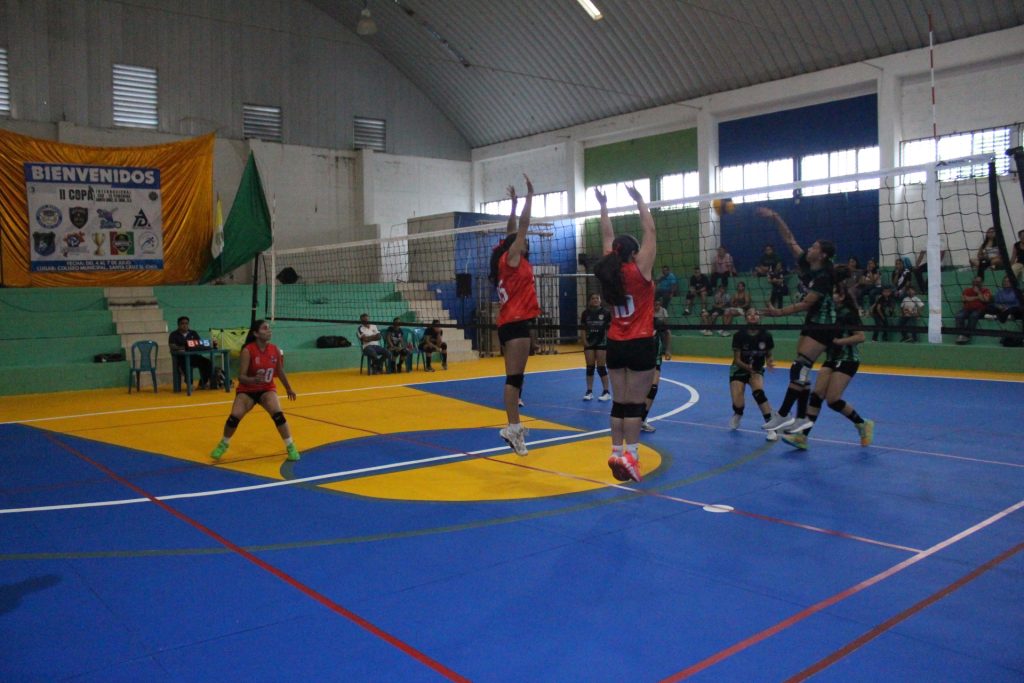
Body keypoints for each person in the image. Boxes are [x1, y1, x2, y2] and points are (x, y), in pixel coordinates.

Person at [593, 184, 656, 483]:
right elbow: (650, 231)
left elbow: (606, 235)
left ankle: (616, 451)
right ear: (633, 253)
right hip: (640, 343)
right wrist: (640, 200)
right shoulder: (640, 269)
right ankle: (632, 456)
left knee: (619, 402)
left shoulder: (610, 273)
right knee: (634, 404)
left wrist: (603, 206)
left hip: (615, 343)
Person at [756, 207, 837, 436]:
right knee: (802, 369)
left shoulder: (825, 276)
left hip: (826, 324)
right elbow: (789, 239)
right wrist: (775, 217)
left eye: (814, 247)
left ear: (822, 255)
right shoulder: (808, 263)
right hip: (813, 321)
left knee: (800, 366)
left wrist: (778, 313)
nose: (809, 248)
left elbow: (806, 304)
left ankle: (783, 414)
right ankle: (801, 418)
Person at [781, 285, 874, 450]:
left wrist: (839, 342)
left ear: (842, 296)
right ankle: (802, 437)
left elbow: (861, 336)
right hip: (831, 358)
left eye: (835, 293)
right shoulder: (826, 315)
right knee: (817, 395)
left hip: (847, 358)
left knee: (833, 400)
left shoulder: (847, 313)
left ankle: (862, 423)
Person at [489, 174, 539, 456]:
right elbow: (522, 226)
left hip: (511, 322)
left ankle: (514, 426)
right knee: (514, 379)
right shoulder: (512, 258)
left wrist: (513, 204)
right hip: (516, 323)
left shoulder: (505, 261)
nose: (525, 242)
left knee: (515, 378)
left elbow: (512, 230)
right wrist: (530, 196)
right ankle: (513, 427)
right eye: (521, 241)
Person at [210, 320, 300, 462]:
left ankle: (290, 446)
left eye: (269, 328)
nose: (269, 330)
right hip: (247, 390)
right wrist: (253, 380)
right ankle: (224, 443)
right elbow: (241, 377)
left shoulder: (275, 349)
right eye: (265, 328)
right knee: (234, 417)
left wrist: (289, 388)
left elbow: (280, 371)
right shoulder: (248, 350)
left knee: (278, 415)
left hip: (266, 389)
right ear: (256, 333)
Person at [729, 308, 779, 442]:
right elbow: (737, 359)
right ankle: (738, 413)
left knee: (759, 393)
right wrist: (748, 368)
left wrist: (769, 362)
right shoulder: (739, 335)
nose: (752, 316)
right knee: (738, 403)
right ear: (745, 318)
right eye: (749, 314)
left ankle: (771, 427)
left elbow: (768, 353)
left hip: (756, 369)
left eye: (755, 314)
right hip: (739, 369)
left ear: (759, 317)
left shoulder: (766, 335)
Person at [580, 293, 611, 401]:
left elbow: (609, 329)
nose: (595, 300)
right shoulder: (585, 313)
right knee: (590, 367)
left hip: (601, 342)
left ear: (600, 300)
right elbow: (583, 329)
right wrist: (584, 341)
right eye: (593, 298)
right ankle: (589, 391)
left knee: (601, 368)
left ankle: (606, 392)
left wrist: (609, 341)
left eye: (597, 298)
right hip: (589, 342)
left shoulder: (606, 313)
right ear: (590, 301)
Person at [168, 315, 213, 390]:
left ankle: (203, 383)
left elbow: (199, 344)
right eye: (182, 323)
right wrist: (185, 347)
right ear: (178, 325)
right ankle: (190, 383)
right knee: (186, 364)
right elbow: (172, 346)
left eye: (186, 323)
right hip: (181, 358)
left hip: (193, 356)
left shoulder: (193, 333)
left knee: (207, 362)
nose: (185, 325)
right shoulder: (173, 334)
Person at [953, 276, 992, 344]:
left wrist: (978, 292)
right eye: (974, 282)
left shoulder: (986, 290)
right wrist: (978, 297)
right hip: (967, 309)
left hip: (979, 309)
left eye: (978, 282)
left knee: (973, 316)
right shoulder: (967, 290)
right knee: (959, 316)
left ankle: (966, 336)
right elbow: (964, 299)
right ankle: (961, 334)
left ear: (982, 283)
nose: (976, 283)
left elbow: (985, 300)